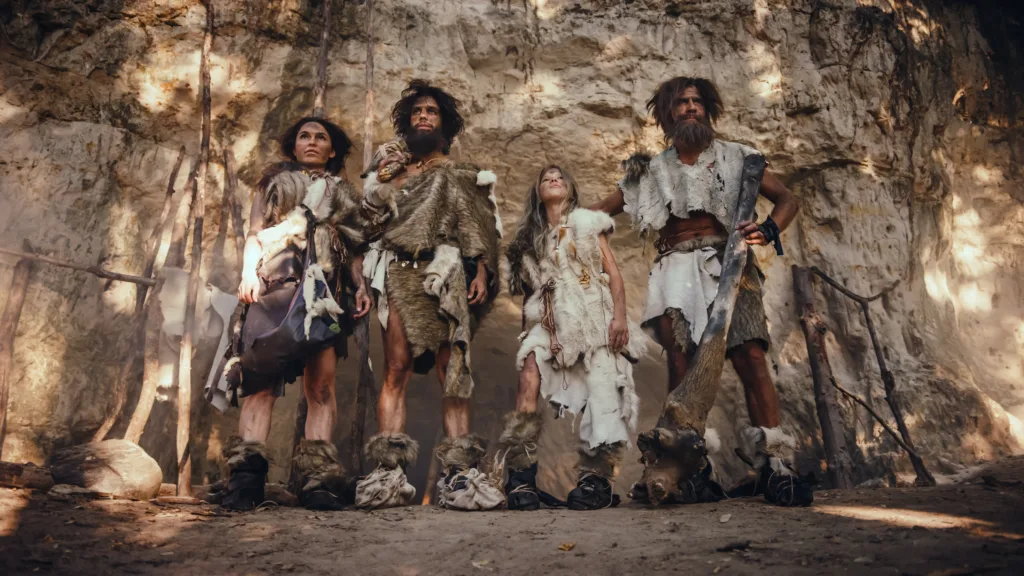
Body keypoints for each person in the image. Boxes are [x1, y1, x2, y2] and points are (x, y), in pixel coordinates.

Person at [591, 76, 812, 506]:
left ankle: (775, 463)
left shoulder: (739, 157)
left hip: (730, 265)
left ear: (707, 109)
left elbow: (787, 199)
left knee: (750, 355)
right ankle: (689, 468)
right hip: (674, 270)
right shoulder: (651, 170)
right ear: (668, 114)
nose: (690, 108)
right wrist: (565, 225)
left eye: (696, 102)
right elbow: (601, 210)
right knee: (682, 364)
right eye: (681, 103)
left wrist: (767, 229)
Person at [356, 80, 504, 510]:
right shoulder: (390, 173)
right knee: (396, 367)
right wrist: (394, 176)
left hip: (447, 274)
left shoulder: (461, 174)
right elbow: (366, 222)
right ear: (407, 123)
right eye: (417, 111)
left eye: (432, 112)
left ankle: (459, 475)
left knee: (451, 371)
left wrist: (481, 271)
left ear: (444, 123)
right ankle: (388, 473)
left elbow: (479, 228)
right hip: (400, 271)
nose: (424, 116)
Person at [214, 117, 375, 511]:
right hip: (275, 287)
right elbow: (255, 231)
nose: (313, 141)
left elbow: (354, 248)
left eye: (321, 137)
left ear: (332, 149)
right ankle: (246, 481)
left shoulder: (342, 192)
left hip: (325, 294)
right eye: (305, 135)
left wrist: (361, 285)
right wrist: (248, 272)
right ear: (294, 145)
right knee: (260, 384)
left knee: (320, 387)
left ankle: (318, 481)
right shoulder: (274, 184)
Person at [499, 165, 645, 511]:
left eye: (560, 176)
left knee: (603, 384)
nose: (553, 179)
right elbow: (529, 293)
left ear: (571, 188)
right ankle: (522, 479)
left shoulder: (588, 222)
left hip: (593, 311)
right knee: (530, 369)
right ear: (537, 191)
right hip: (549, 317)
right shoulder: (528, 238)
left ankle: (596, 479)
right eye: (546, 177)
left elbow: (613, 275)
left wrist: (620, 318)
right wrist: (526, 332)